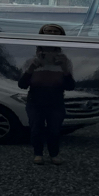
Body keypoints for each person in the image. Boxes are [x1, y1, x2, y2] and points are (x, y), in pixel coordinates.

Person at [18, 23, 75, 165]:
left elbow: (70, 86)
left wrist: (64, 69)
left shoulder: (65, 61)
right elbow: (22, 85)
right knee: (36, 128)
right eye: (48, 31)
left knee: (54, 130)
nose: (51, 33)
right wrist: (31, 68)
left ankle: (54, 154)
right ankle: (38, 154)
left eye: (56, 32)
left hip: (56, 100)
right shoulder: (30, 61)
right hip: (35, 100)